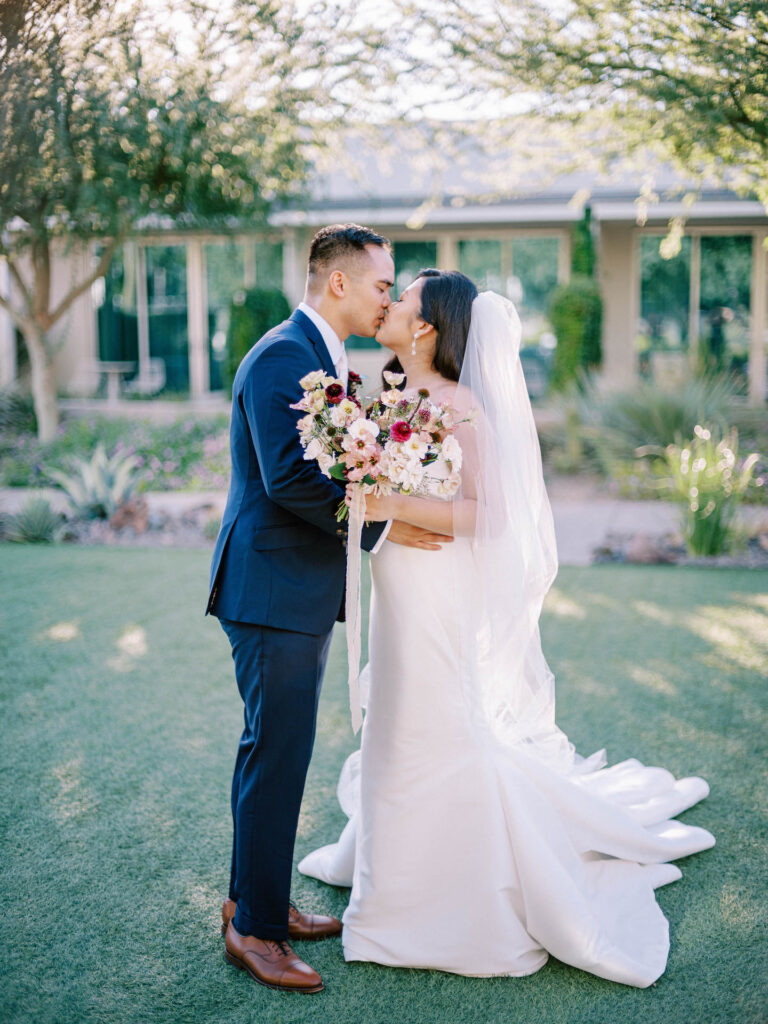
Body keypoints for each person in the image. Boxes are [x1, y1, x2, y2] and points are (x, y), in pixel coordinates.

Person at [298, 269, 715, 987]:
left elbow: (487, 514)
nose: (389, 305)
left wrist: (388, 498)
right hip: (397, 585)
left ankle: (447, 900)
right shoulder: (392, 395)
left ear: (426, 327)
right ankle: (391, 882)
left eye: (402, 300)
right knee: (392, 723)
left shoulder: (462, 407)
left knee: (437, 722)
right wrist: (368, 489)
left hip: (437, 592)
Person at [206, 227, 453, 995]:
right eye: (382, 285)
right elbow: (288, 481)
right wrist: (382, 524)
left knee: (277, 753)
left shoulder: (320, 356)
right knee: (274, 754)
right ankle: (255, 932)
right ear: (338, 284)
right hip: (272, 589)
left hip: (294, 588)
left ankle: (257, 901)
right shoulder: (286, 355)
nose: (389, 297)